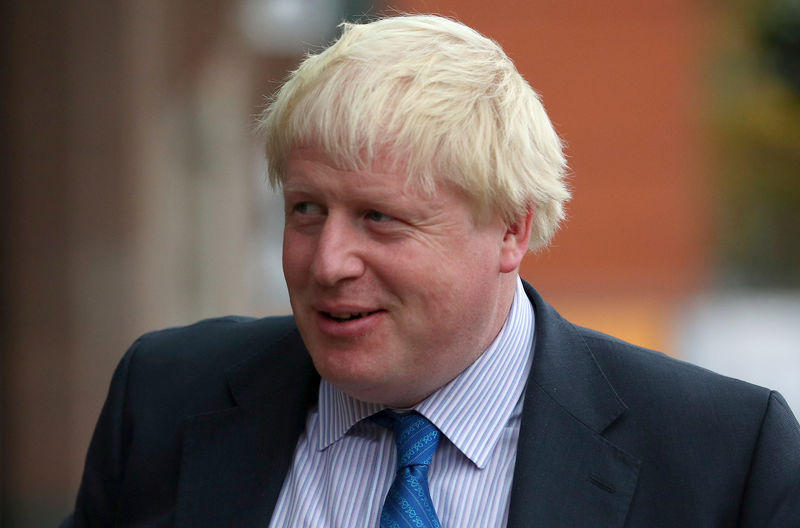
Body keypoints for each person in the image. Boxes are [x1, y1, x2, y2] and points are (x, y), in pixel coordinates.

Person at [62, 14, 800, 528]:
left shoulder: (723, 458)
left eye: (380, 218)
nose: (328, 262)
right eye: (307, 210)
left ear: (511, 229)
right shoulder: (163, 397)